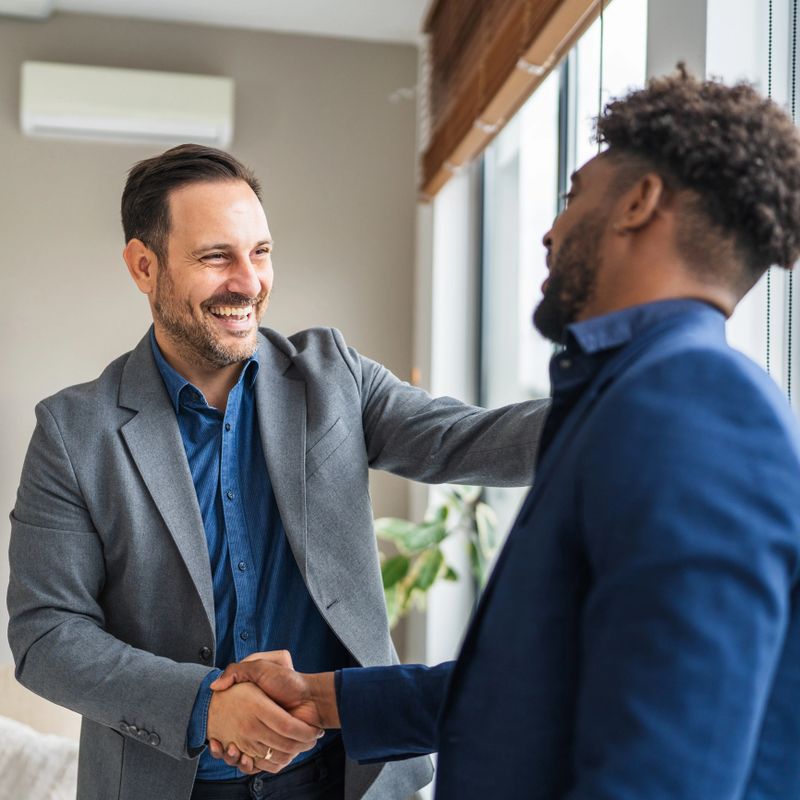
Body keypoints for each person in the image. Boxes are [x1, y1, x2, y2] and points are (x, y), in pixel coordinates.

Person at [212, 67, 800, 799]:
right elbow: (556, 681)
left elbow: (669, 766)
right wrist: (326, 698)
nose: (552, 231)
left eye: (572, 195)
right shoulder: (631, 400)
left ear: (640, 202)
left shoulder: (700, 404)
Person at [6, 144, 549, 800]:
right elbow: (47, 636)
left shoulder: (333, 377)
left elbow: (466, 440)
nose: (248, 281)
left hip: (343, 779)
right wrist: (205, 705)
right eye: (216, 256)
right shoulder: (75, 431)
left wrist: (623, 398)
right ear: (143, 266)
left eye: (259, 252)